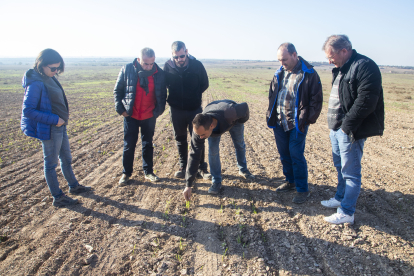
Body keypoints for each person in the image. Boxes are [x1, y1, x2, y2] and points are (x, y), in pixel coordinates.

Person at [321, 35, 384, 224]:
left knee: (351, 173)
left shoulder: (365, 66)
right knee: (340, 168)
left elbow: (366, 101)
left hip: (349, 131)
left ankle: (347, 212)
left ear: (344, 51)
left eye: (331, 56)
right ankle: (340, 198)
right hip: (337, 129)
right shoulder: (342, 68)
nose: (329, 61)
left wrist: (346, 127)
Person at [21, 48, 91, 207]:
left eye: (58, 68)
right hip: (50, 128)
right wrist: (55, 119)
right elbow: (28, 110)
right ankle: (58, 197)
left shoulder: (49, 77)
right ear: (41, 65)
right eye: (53, 68)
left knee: (66, 159)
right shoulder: (36, 83)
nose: (56, 71)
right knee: (51, 164)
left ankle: (74, 186)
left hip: (60, 126)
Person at [266, 43, 323, 204]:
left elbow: (316, 100)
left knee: (296, 155)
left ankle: (302, 189)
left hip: (297, 124)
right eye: (279, 60)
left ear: (294, 55)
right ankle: (290, 181)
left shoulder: (309, 74)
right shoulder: (279, 73)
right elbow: (272, 94)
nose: (281, 63)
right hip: (279, 122)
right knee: (284, 154)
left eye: (284, 59)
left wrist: (307, 120)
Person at [114, 47, 167, 185]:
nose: (149, 66)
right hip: (131, 115)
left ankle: (148, 172)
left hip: (149, 115)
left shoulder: (159, 73)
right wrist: (121, 110)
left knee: (148, 144)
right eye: (145, 63)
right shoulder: (127, 70)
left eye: (151, 63)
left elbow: (162, 94)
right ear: (138, 60)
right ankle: (126, 173)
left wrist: (158, 111)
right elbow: (117, 91)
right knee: (129, 145)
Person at [182, 100, 254, 201]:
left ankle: (243, 169)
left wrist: (240, 121)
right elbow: (194, 154)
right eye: (199, 135)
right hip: (214, 119)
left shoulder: (230, 113)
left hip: (233, 120)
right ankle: (216, 181)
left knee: (239, 144)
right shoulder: (199, 129)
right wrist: (188, 184)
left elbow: (244, 107)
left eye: (202, 135)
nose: (200, 137)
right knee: (213, 151)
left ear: (211, 126)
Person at [164, 41, 211, 179]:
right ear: (172, 55)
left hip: (194, 109)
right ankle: (184, 166)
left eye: (182, 56)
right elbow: (164, 85)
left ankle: (201, 168)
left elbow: (204, 83)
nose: (179, 59)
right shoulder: (168, 66)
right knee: (180, 138)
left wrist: (193, 96)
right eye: (176, 57)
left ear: (186, 52)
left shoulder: (197, 65)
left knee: (198, 137)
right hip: (176, 109)